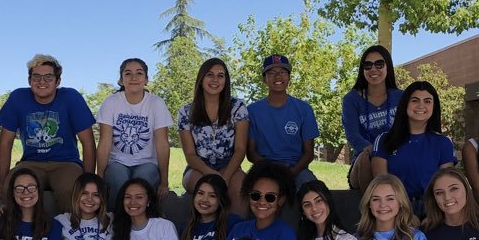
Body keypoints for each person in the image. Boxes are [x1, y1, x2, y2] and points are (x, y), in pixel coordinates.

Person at [0, 54, 98, 212]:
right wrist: (2, 182)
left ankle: (69, 233)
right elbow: (5, 143)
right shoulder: (18, 98)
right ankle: (19, 233)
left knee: (70, 188)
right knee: (15, 186)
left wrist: (89, 180)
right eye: (36, 77)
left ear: (58, 81)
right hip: (31, 162)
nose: (42, 82)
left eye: (48, 77)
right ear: (29, 81)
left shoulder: (71, 97)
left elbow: (88, 142)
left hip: (67, 163)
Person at [370, 81, 457, 215]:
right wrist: (406, 215)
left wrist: (434, 216)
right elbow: (382, 185)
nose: (421, 105)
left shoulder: (443, 142)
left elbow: (445, 186)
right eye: (415, 100)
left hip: (433, 208)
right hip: (394, 209)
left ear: (434, 107)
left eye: (427, 101)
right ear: (405, 104)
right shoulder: (383, 140)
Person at [96, 58, 174, 201]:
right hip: (117, 162)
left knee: (141, 182)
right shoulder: (111, 102)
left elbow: (162, 143)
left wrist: (164, 181)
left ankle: (145, 219)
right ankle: (115, 219)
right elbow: (104, 142)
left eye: (139, 73)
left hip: (147, 162)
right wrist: (99, 178)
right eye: (128, 74)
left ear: (146, 80)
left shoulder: (156, 103)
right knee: (118, 179)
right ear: (121, 80)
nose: (133, 78)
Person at [179, 58, 249, 210]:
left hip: (229, 165)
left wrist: (225, 177)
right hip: (197, 167)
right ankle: (205, 232)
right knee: (206, 190)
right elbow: (190, 154)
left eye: (220, 75)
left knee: (240, 189)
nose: (215, 80)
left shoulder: (238, 107)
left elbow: (240, 149)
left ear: (226, 81)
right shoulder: (185, 112)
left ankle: (235, 232)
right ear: (201, 78)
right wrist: (210, 174)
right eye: (210, 75)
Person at [245, 54, 319, 188]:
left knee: (314, 190)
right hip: (264, 169)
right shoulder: (252, 111)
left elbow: (308, 153)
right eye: (271, 72)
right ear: (264, 79)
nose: (278, 76)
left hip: (297, 170)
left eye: (283, 72)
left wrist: (290, 173)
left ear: (289, 77)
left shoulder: (304, 109)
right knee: (254, 195)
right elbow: (251, 153)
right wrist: (272, 170)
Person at [342, 45, 403, 190]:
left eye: (379, 64)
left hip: (395, 156)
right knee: (367, 160)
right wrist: (376, 152)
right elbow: (352, 136)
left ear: (388, 67)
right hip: (364, 161)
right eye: (367, 65)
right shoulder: (351, 99)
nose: (373, 69)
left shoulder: (401, 97)